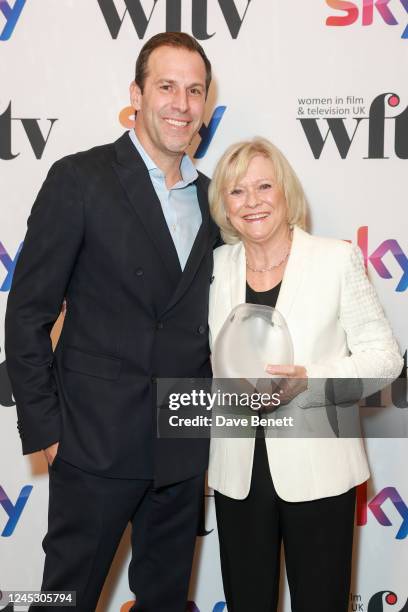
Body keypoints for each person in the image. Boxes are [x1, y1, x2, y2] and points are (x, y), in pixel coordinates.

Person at [5, 32, 219, 612]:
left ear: (206, 102)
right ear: (137, 94)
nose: (181, 103)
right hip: (93, 443)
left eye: (194, 90)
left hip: (180, 444)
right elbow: (26, 314)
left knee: (166, 603)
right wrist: (47, 431)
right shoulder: (81, 179)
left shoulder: (214, 200)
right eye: (167, 86)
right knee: (64, 600)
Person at [207, 137, 403, 612]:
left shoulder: (336, 259)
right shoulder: (215, 267)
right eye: (236, 191)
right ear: (224, 205)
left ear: (285, 192)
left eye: (263, 186)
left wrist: (309, 380)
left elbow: (385, 358)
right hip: (239, 474)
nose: (251, 201)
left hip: (319, 469)